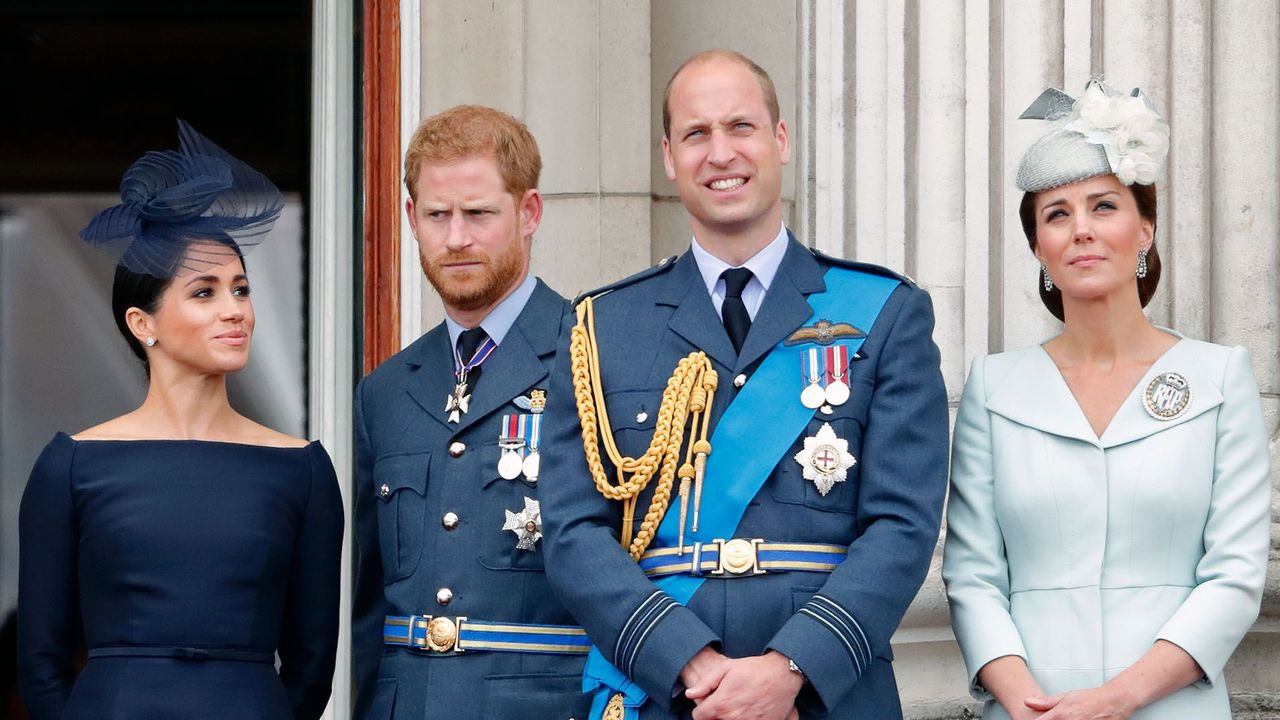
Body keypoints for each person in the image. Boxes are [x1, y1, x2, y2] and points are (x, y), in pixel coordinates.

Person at [539, 50, 949, 720]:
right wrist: (688, 662)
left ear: (780, 141)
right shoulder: (602, 327)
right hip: (668, 694)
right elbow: (573, 532)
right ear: (669, 157)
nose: (720, 152)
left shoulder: (884, 312)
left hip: (823, 696)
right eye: (697, 134)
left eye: (741, 127)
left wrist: (791, 669)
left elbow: (902, 526)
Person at [943, 81, 1272, 720]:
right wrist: (1028, 704)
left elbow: (1233, 577)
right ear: (1039, 248)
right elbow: (974, 575)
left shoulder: (1219, 377)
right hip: (1029, 710)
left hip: (1174, 707)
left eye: (1104, 206)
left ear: (1145, 228)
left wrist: (1116, 700)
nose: (1082, 230)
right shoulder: (994, 387)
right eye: (1057, 214)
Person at [16, 121, 344, 720]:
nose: (235, 311)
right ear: (144, 324)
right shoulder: (71, 464)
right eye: (205, 293)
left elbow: (312, 664)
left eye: (241, 290)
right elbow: (40, 660)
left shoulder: (303, 469)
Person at [352, 105, 591, 720]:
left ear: (529, 212)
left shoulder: (594, 358)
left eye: (479, 213)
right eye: (437, 215)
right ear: (412, 219)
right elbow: (368, 608)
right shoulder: (384, 391)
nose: (456, 237)